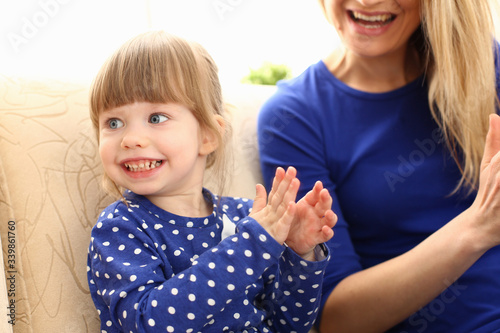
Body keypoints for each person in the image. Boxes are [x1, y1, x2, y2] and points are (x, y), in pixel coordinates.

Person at [257, 0, 500, 332]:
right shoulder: (293, 117)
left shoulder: (482, 66)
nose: (368, 2)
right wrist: (477, 229)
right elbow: (336, 318)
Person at [86, 31, 337, 333]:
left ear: (207, 134)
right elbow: (147, 324)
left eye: (156, 118)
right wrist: (251, 245)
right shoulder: (119, 227)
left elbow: (288, 324)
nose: (131, 139)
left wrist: (300, 255)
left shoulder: (246, 218)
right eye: (113, 123)